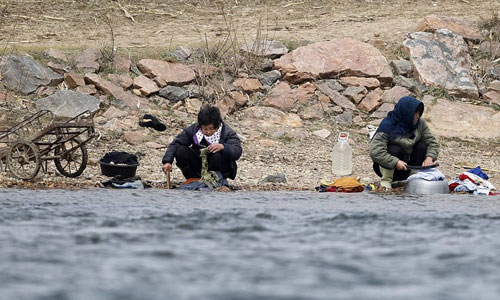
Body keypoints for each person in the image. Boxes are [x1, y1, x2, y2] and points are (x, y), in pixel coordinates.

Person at [369, 96, 439, 190]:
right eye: (415, 113)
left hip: (409, 167)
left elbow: (432, 142)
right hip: (390, 167)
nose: (417, 116)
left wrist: (430, 157)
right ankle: (387, 182)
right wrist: (395, 162)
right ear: (406, 113)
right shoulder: (388, 125)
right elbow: (375, 151)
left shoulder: (420, 124)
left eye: (418, 112)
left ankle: (412, 179)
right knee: (395, 149)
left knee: (422, 146)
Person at [162, 105, 242, 181]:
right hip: (199, 164)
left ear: (217, 126)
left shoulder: (227, 132)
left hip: (219, 165)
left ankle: (216, 179)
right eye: (205, 129)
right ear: (201, 126)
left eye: (211, 128)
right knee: (180, 150)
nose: (208, 132)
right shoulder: (194, 130)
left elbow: (237, 150)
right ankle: (193, 178)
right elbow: (176, 143)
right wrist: (167, 161)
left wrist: (223, 147)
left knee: (218, 156)